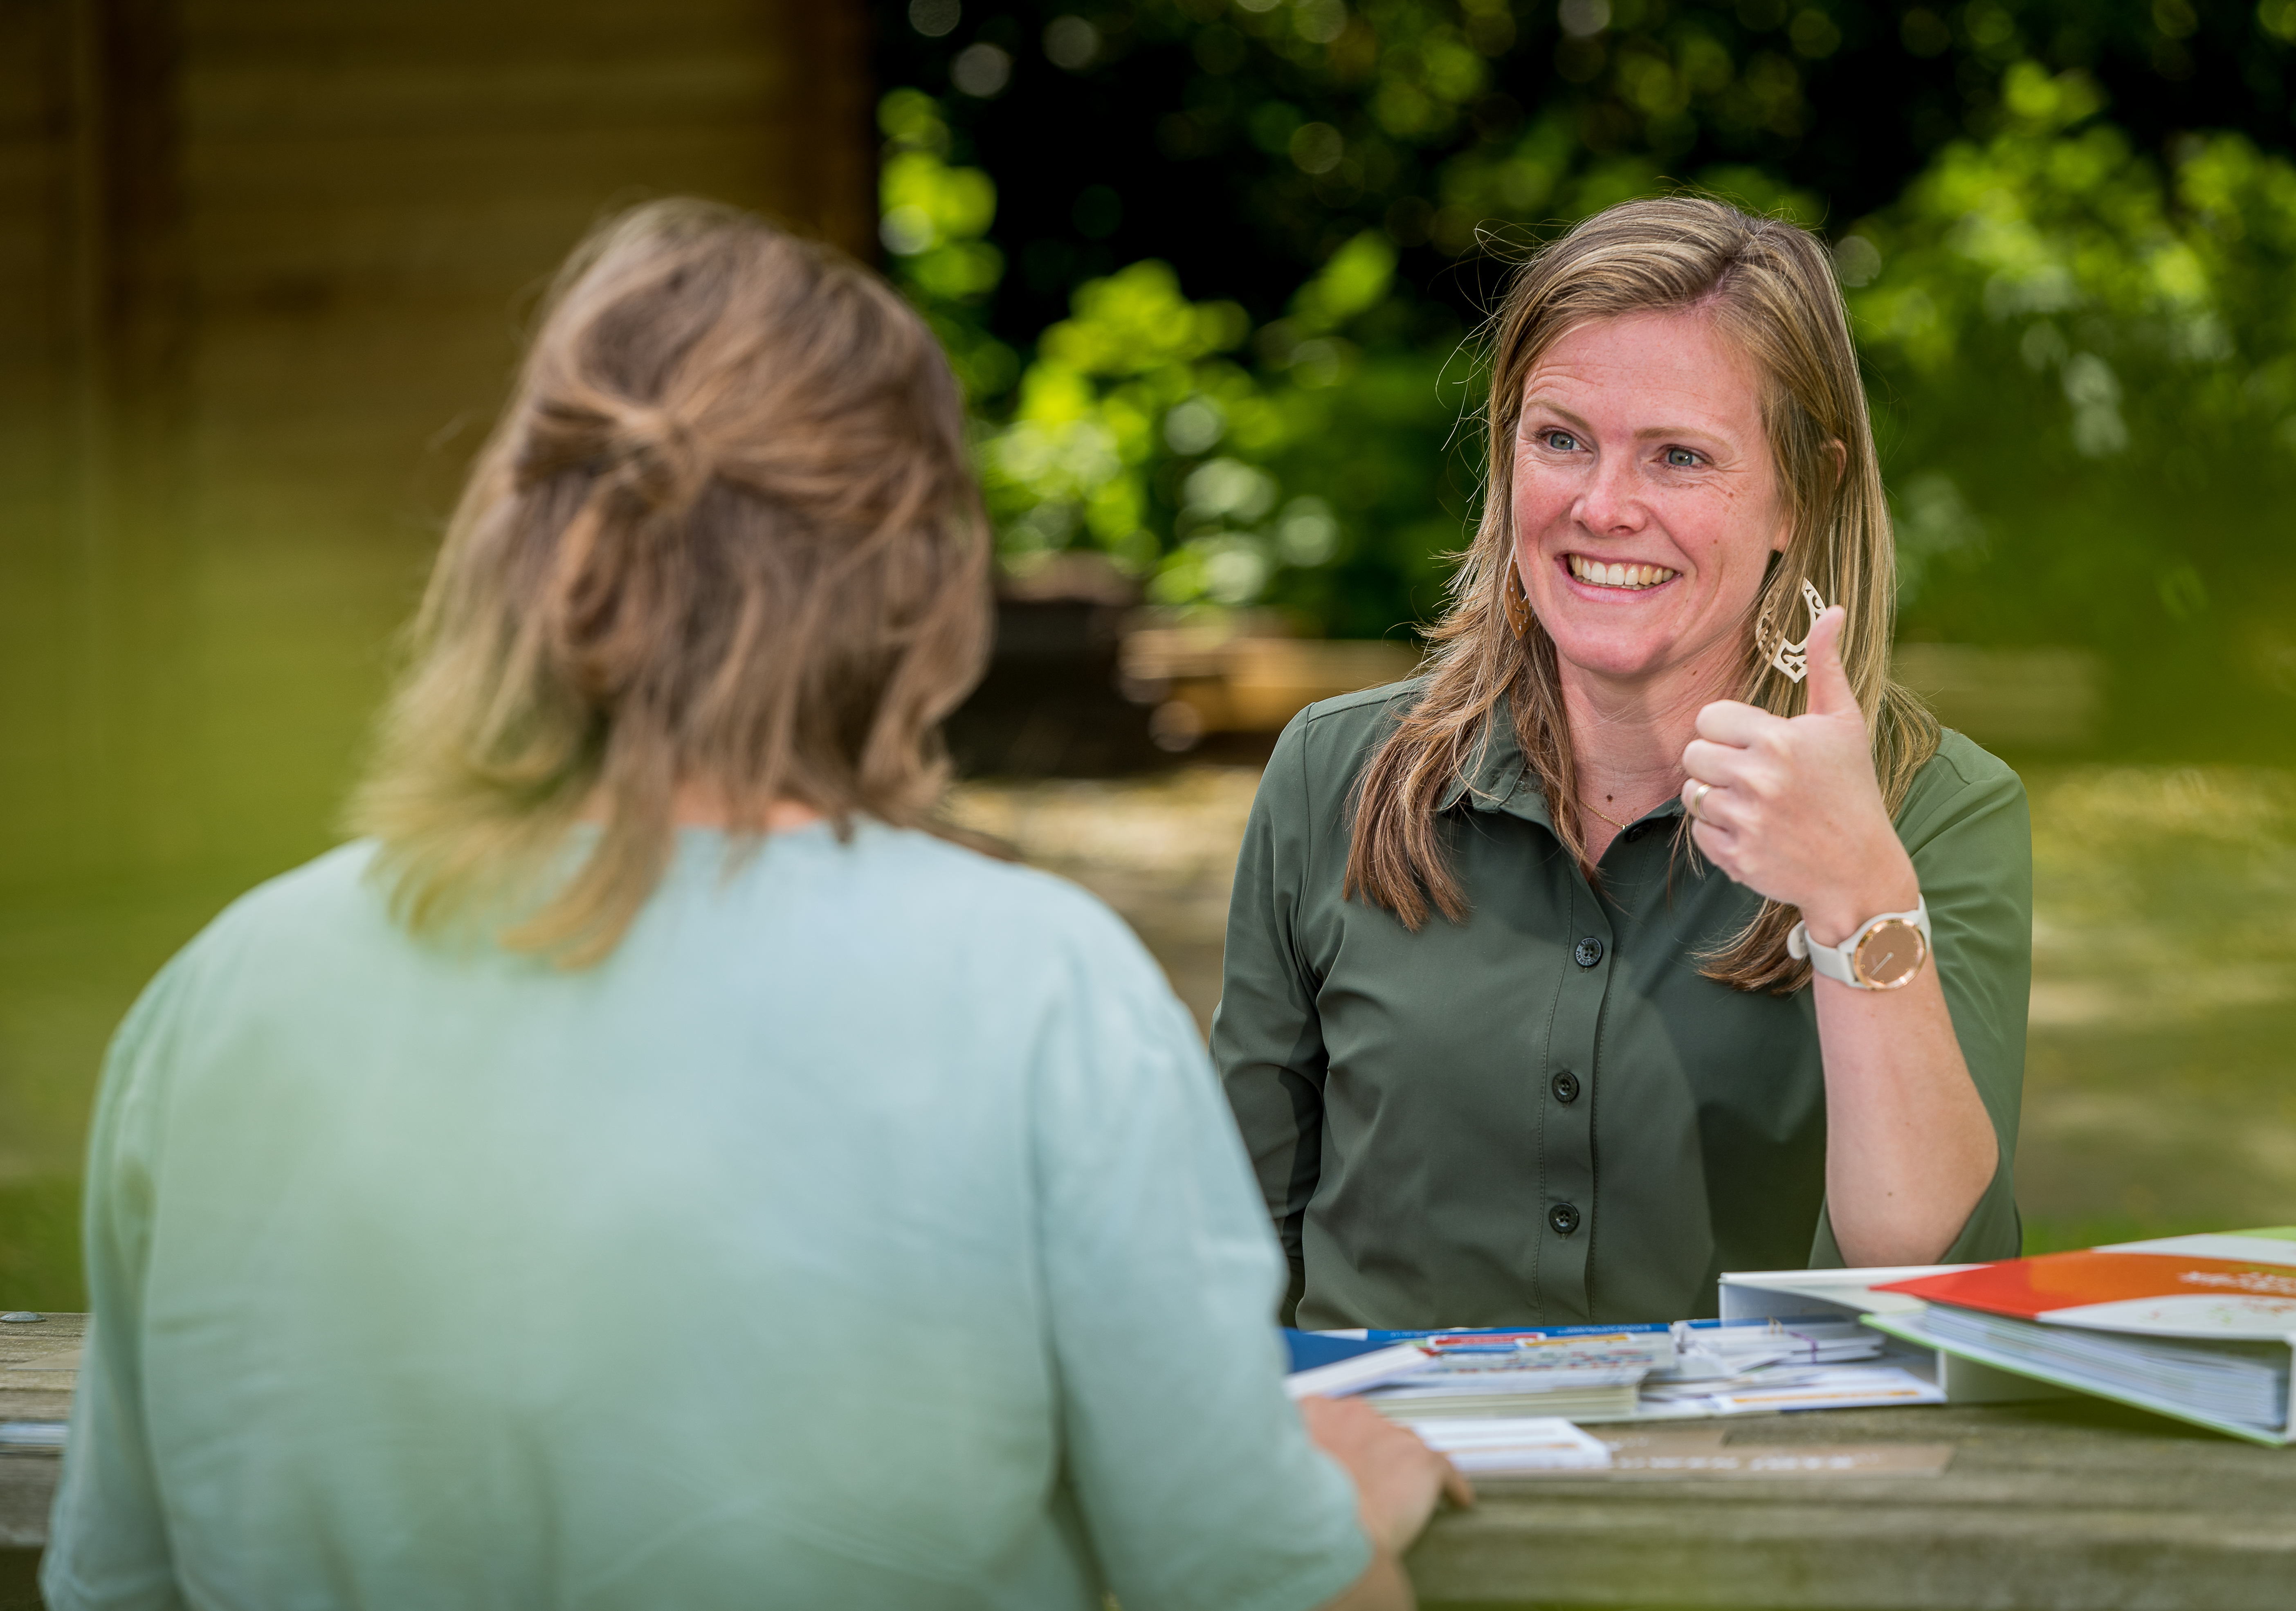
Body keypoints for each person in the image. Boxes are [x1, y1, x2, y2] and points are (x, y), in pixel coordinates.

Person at [43, 200, 1465, 1611]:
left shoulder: (222, 997)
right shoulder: (1035, 991)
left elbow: (119, 1576)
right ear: (914, 575)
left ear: (518, 539)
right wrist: (1330, 1520)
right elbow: (1253, 1580)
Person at [1215, 197, 2030, 1331]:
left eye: (1678, 457)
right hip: (1395, 1480)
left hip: (1738, 1490)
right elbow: (1226, 1252)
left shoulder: (1939, 810)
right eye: (1560, 440)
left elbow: (1927, 1275)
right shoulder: (1333, 772)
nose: (1603, 508)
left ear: (1803, 488)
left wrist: (1858, 897)